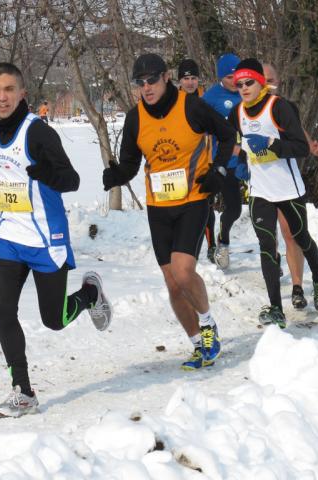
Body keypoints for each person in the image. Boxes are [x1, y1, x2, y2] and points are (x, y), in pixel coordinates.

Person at [0, 62, 112, 417]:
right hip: (7, 236)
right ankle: (23, 391)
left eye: (9, 90)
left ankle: (90, 294)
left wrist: (46, 172)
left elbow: (72, 180)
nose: (2, 97)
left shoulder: (38, 132)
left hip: (47, 238)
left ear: (22, 93)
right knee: (4, 310)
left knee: (54, 319)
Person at [102, 53, 236, 370]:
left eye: (151, 80)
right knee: (173, 283)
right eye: (139, 82)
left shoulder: (191, 106)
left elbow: (227, 134)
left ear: (166, 77)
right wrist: (117, 175)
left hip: (193, 198)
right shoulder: (135, 119)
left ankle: (208, 325)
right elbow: (131, 164)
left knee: (184, 271)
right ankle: (196, 344)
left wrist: (218, 170)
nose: (146, 87)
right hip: (159, 205)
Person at [227, 58, 318, 327]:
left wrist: (271, 143)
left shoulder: (279, 107)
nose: (244, 88)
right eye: (239, 84)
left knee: (301, 238)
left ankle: (317, 278)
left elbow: (301, 148)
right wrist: (237, 164)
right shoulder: (237, 113)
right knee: (267, 246)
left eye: (249, 82)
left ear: (260, 82)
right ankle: (276, 308)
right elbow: (235, 141)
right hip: (260, 191)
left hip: (287, 189)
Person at [263, 62, 318, 309]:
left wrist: (313, 146)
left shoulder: (284, 107)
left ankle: (302, 285)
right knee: (269, 239)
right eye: (263, 79)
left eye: (272, 80)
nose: (268, 84)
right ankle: (279, 298)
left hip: (287, 182)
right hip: (261, 185)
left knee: (293, 235)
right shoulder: (245, 110)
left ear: (278, 83)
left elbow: (299, 132)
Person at [202, 53, 247, 269]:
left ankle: (223, 235)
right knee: (207, 207)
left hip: (241, 161)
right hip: (217, 162)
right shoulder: (211, 98)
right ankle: (217, 246)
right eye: (230, 77)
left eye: (237, 76)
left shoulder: (247, 93)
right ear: (221, 77)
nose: (235, 81)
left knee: (236, 210)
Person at [177, 59, 216, 262]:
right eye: (186, 78)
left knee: (206, 206)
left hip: (205, 162)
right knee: (183, 206)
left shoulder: (206, 99)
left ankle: (211, 247)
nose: (190, 82)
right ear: (179, 81)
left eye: (193, 78)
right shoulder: (175, 101)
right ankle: (184, 246)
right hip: (182, 164)